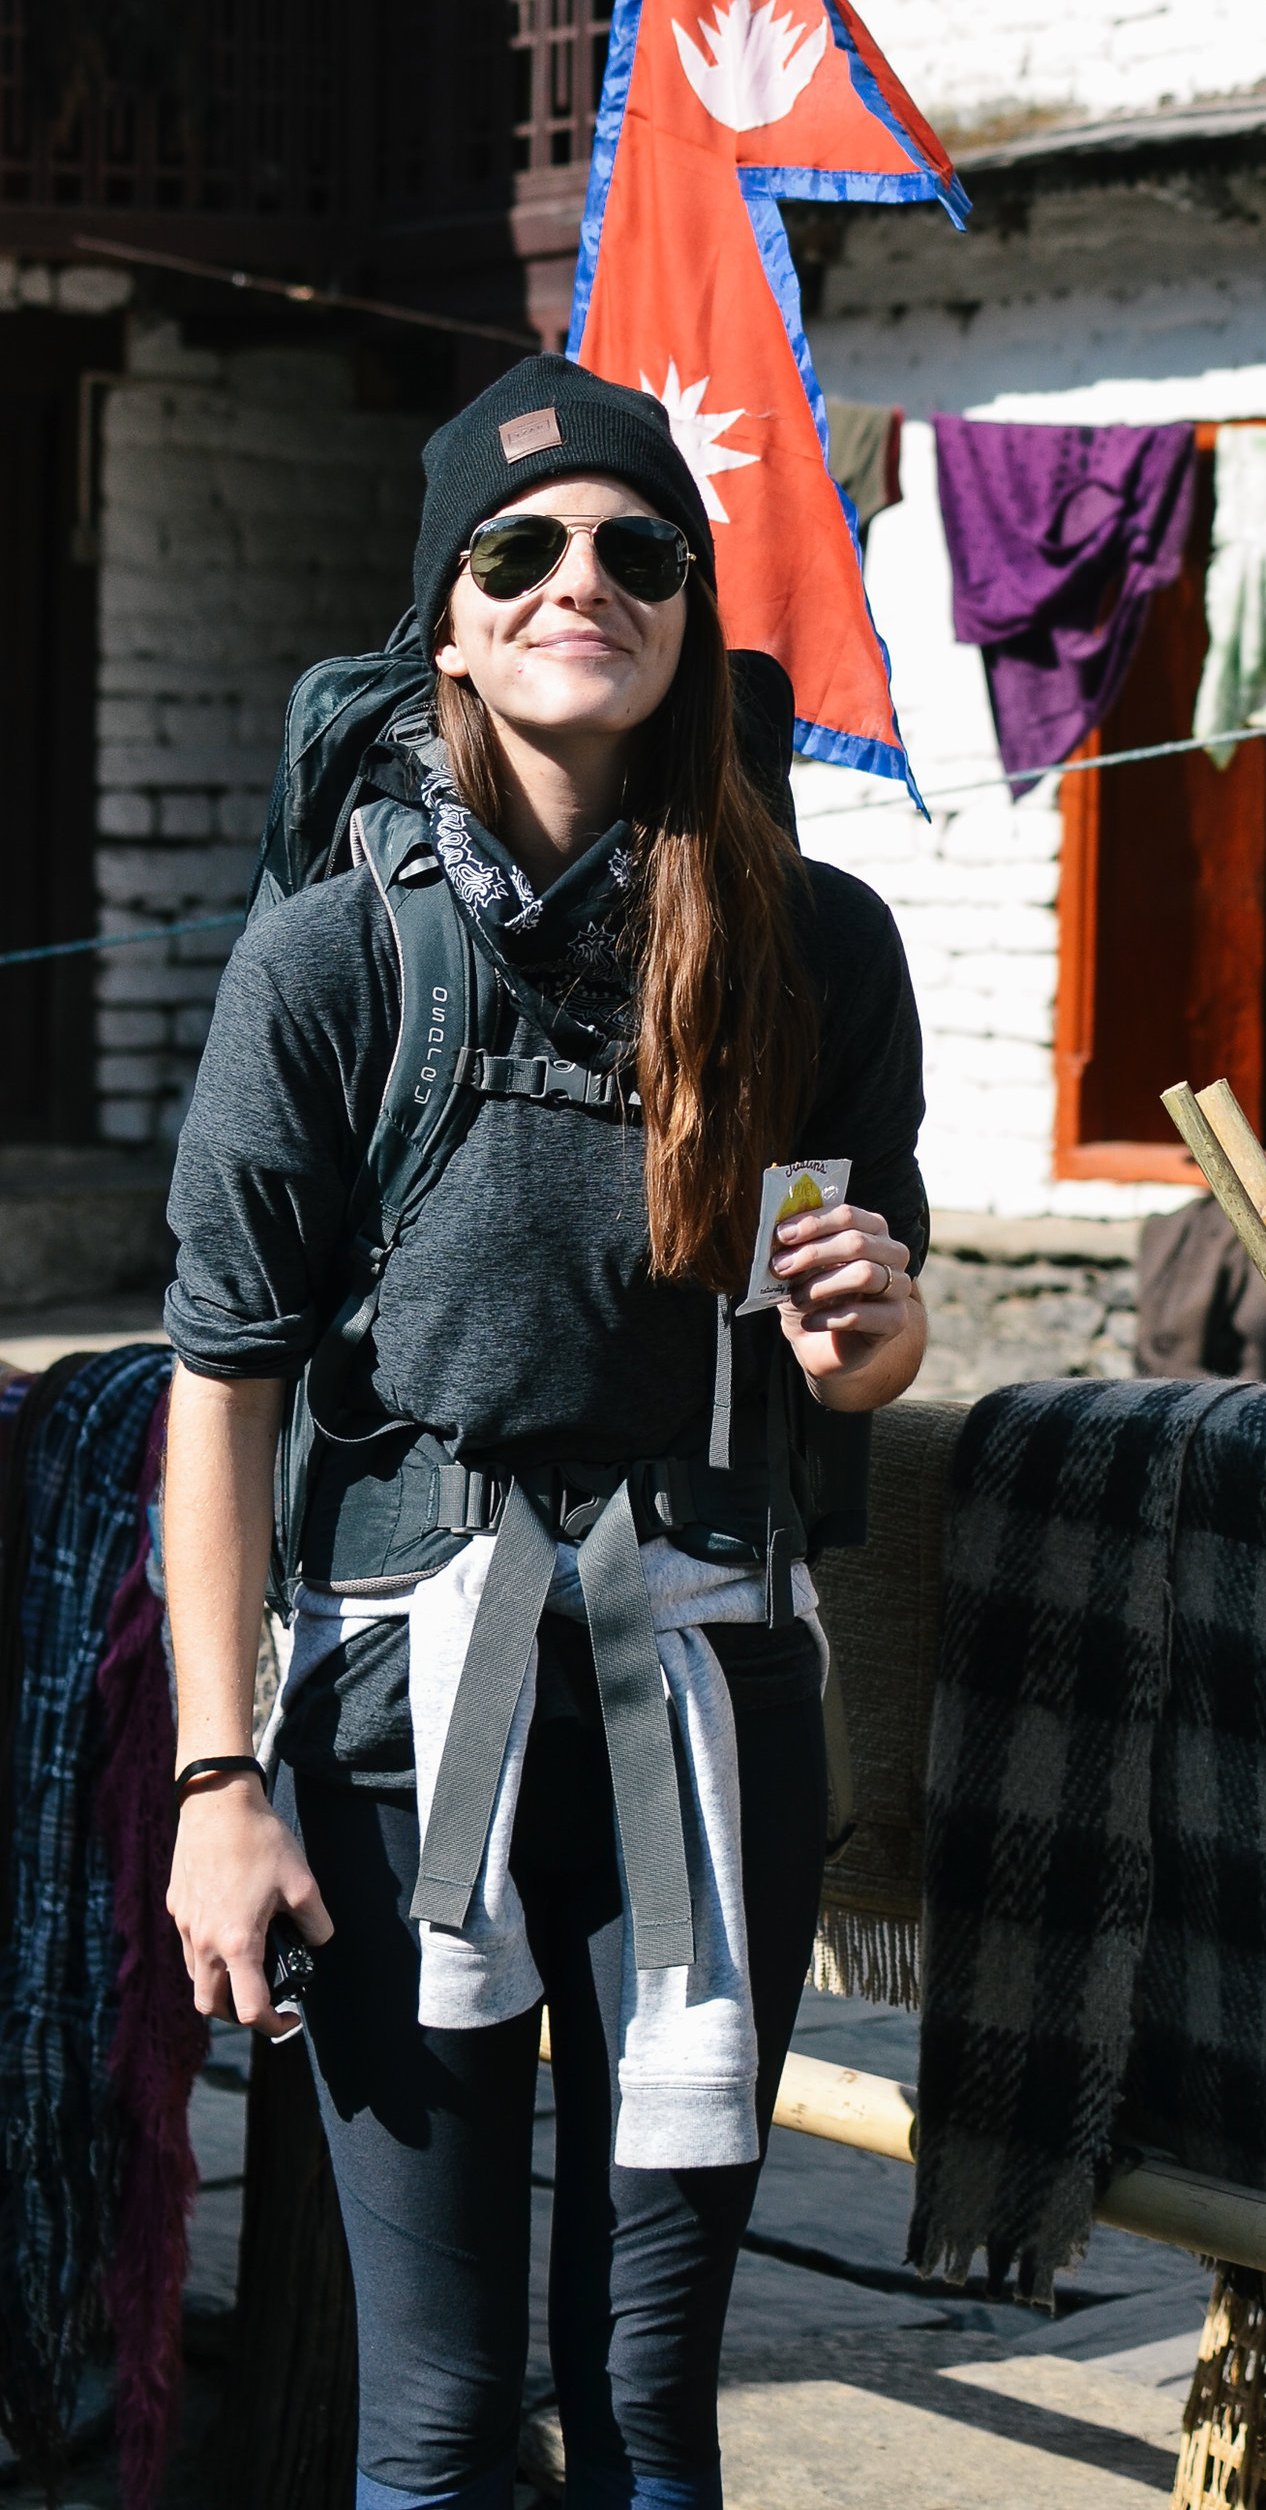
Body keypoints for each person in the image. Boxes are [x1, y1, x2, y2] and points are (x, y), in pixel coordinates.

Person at [161, 353, 929, 2510]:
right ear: (448, 620)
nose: (577, 579)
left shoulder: (810, 947)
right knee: (432, 2409)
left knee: (650, 2399)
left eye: (635, 549)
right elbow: (221, 1388)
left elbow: (841, 1341)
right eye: (518, 550)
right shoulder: (331, 964)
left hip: (708, 1686)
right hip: (407, 1705)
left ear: (688, 608)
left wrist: (870, 1335)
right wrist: (218, 1781)